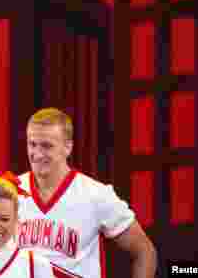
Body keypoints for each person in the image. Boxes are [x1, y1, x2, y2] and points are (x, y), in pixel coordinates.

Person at [16, 108, 156, 278]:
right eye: (32, 144)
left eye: (46, 146)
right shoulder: (10, 191)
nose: (37, 154)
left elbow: (145, 251)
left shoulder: (96, 195)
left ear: (68, 147)